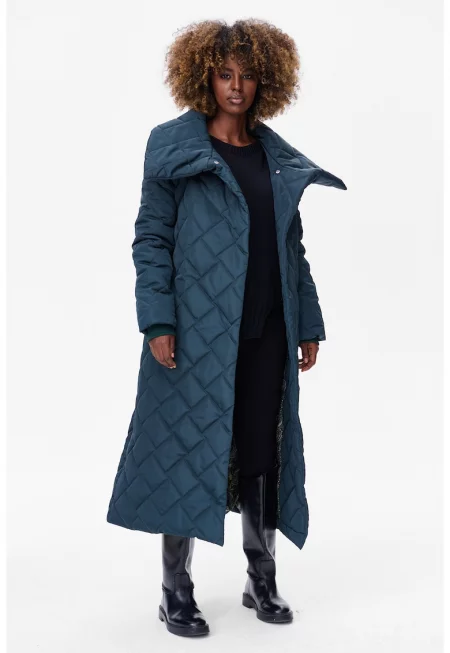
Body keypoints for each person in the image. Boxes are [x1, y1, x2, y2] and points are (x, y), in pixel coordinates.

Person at [106, 18, 346, 637]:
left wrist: (307, 321)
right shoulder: (174, 148)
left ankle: (260, 579)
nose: (236, 87)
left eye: (247, 75)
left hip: (269, 330)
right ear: (203, 78)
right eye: (224, 74)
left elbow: (292, 250)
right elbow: (151, 240)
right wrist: (157, 319)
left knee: (263, 451)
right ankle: (175, 591)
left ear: (266, 81)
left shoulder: (275, 158)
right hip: (195, 334)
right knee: (185, 450)